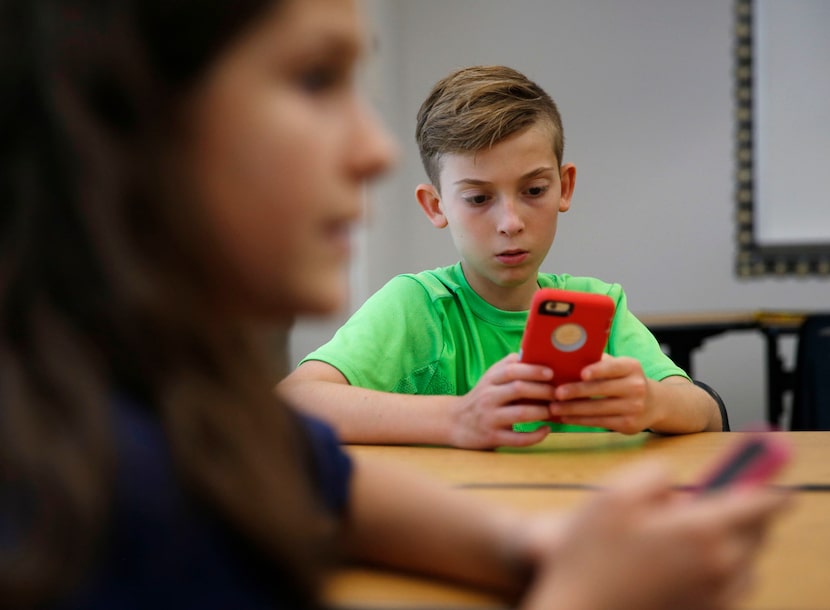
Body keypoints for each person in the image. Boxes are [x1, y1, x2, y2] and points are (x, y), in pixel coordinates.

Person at [0, 1, 789, 609]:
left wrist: (540, 548)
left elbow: (330, 486)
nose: (374, 147)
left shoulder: (187, 406)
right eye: (315, 79)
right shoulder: (88, 497)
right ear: (136, 120)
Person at [280, 64, 724, 449]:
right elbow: (293, 403)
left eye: (534, 190)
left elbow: (708, 414)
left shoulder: (599, 306)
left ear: (564, 187)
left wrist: (653, 401)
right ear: (436, 206)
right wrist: (460, 417)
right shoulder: (416, 307)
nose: (510, 221)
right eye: (477, 198)